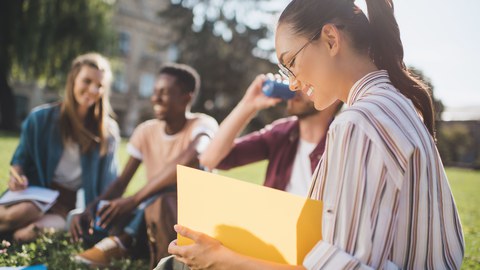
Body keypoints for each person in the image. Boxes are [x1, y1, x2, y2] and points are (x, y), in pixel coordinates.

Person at [164, 0, 465, 269]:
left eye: (291, 63)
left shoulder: (358, 122)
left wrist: (224, 260)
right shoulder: (396, 105)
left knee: (174, 264)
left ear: (331, 38)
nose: (292, 83)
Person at [73, 63, 219, 267]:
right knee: (112, 212)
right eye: (155, 92)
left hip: (185, 215)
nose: (155, 98)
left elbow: (193, 156)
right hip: (150, 212)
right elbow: (121, 183)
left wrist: (134, 200)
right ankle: (125, 241)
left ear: (187, 97)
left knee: (162, 199)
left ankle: (124, 241)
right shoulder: (146, 131)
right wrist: (92, 207)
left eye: (164, 93)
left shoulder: (203, 124)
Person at [0, 53, 119, 243]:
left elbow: (110, 184)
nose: (93, 89)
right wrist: (17, 177)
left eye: (99, 85)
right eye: (86, 81)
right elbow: (19, 161)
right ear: (73, 80)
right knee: (25, 211)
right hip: (34, 194)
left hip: (67, 206)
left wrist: (89, 214)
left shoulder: (108, 132)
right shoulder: (40, 119)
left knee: (24, 235)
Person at [200, 75, 342, 196]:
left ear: (335, 97)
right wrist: (248, 104)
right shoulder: (281, 133)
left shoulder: (346, 142)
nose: (294, 86)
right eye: (294, 77)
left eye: (306, 81)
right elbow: (210, 160)